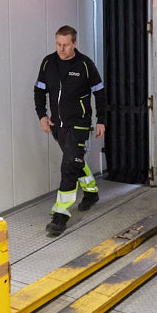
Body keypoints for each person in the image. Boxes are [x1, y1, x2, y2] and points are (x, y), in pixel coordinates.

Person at [33, 25, 106, 236]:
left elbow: (99, 93)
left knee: (68, 166)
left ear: (74, 43)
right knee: (75, 160)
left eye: (66, 45)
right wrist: (42, 116)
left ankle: (60, 214)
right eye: (58, 44)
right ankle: (91, 193)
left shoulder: (84, 65)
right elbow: (39, 90)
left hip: (80, 123)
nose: (61, 49)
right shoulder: (49, 62)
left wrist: (101, 120)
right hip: (58, 124)